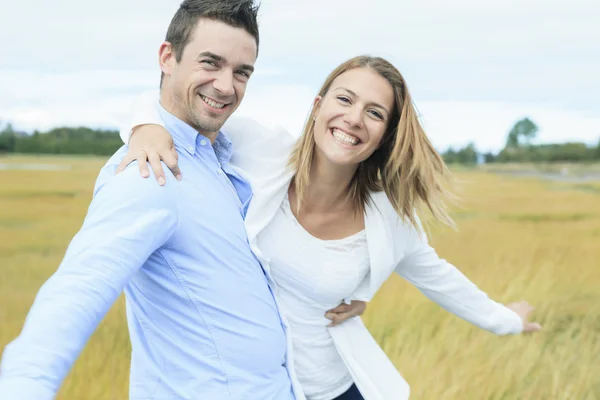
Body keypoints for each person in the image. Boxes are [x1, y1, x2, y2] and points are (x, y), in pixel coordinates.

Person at [117, 55, 542, 400]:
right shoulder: (259, 150)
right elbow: (166, 102)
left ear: (385, 136)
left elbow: (444, 282)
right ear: (318, 106)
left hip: (334, 389)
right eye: (344, 100)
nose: (354, 118)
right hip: (250, 386)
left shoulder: (388, 220)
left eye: (374, 112)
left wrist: (508, 320)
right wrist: (146, 129)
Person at [0, 1, 368, 399]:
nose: (227, 85)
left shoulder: (232, 156)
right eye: (210, 63)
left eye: (241, 72)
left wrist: (358, 287)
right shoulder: (149, 173)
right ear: (167, 57)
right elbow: (77, 290)